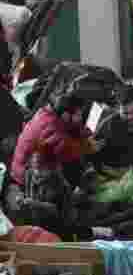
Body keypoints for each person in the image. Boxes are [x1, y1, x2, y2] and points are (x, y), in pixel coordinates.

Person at [7, 90, 100, 234]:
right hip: (27, 175)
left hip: (30, 167)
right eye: (78, 114)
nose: (81, 117)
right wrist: (89, 146)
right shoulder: (50, 126)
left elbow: (71, 130)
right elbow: (67, 150)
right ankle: (70, 215)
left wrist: (83, 134)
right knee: (74, 164)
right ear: (65, 115)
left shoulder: (49, 114)